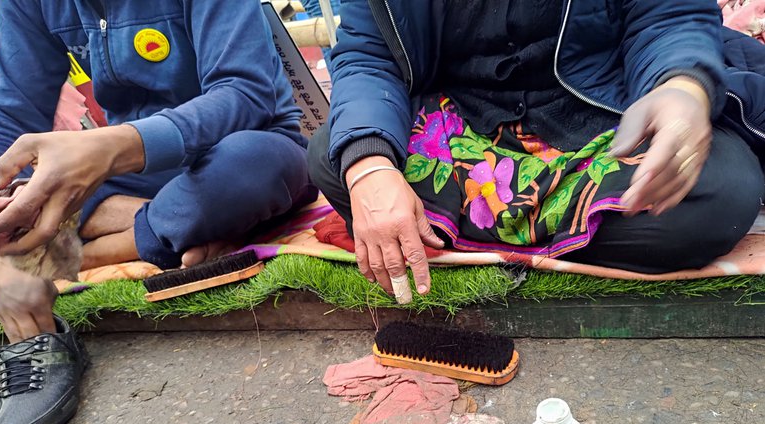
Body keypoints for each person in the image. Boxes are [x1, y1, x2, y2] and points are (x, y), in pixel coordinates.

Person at [0, 0, 315, 424]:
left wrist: (113, 148)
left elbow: (244, 93)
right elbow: (9, 112)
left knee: (249, 172)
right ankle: (177, 227)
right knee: (39, 190)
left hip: (237, 142)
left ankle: (71, 255)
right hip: (127, 164)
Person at [308, 0, 765, 302]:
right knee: (338, 155)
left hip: (598, 113)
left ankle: (456, 230)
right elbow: (369, 55)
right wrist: (369, 170)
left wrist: (682, 86)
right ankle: (561, 231)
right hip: (455, 122)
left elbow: (667, 16)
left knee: (721, 190)